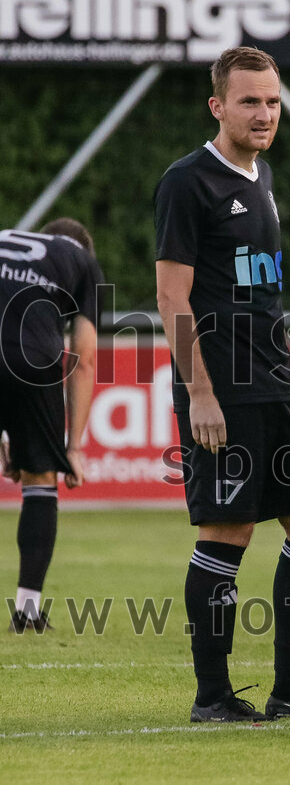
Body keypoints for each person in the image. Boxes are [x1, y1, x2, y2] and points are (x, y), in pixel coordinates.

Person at [154, 46, 290, 722]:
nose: (264, 114)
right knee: (227, 533)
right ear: (218, 106)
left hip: (277, 381)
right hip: (223, 387)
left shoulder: (261, 178)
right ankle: (213, 696)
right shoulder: (187, 181)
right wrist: (199, 390)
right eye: (250, 101)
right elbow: (173, 295)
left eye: (273, 101)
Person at [1, 218, 102, 633]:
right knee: (40, 477)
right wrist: (72, 447)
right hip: (32, 360)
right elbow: (85, 356)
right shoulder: (82, 262)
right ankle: (26, 611)